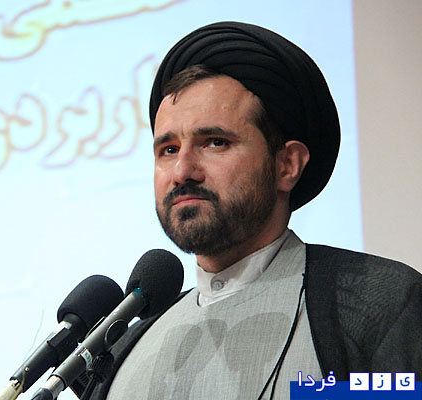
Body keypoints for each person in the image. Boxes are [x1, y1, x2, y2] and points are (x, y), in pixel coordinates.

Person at [73, 21, 422, 399]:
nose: (182, 171)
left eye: (215, 142)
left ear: (287, 165)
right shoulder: (127, 349)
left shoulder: (373, 305)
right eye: (168, 150)